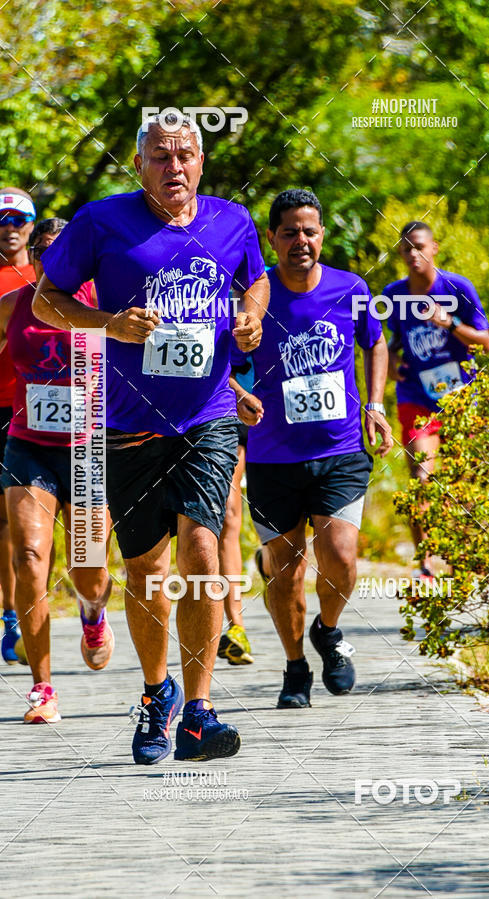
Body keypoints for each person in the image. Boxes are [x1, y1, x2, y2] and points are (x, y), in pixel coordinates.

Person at [35, 114, 269, 763]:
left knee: (201, 544)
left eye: (186, 155)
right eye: (161, 157)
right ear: (139, 165)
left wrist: (250, 316)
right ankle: (155, 692)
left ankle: (199, 710)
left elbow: (256, 279)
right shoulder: (100, 221)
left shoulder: (233, 221)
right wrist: (108, 323)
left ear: (202, 162)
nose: (175, 168)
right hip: (128, 424)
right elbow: (45, 300)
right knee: (146, 566)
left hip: (208, 414)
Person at [241, 188, 392, 709]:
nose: (300, 241)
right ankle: (294, 668)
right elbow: (220, 356)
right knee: (284, 570)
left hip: (341, 449)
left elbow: (375, 341)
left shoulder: (351, 287)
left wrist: (375, 404)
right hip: (271, 456)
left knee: (341, 557)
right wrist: (238, 395)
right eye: (289, 232)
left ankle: (328, 631)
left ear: (322, 234)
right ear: (272, 238)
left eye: (309, 230)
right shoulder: (253, 295)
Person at [0, 218, 113, 723]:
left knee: (87, 570)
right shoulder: (13, 305)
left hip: (89, 448)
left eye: (61, 249)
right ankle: (42, 687)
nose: (51, 258)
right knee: (27, 556)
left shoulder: (102, 301)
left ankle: (92, 612)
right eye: (43, 250)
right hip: (29, 446)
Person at [384, 221, 489, 578]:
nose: (413, 254)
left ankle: (463, 556)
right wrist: (394, 365)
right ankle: (425, 563)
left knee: (462, 481)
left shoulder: (457, 288)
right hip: (416, 396)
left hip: (460, 400)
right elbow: (391, 345)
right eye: (406, 248)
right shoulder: (394, 294)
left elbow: (486, 341)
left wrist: (450, 324)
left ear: (434, 248)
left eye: (419, 246)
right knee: (420, 473)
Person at [0, 188, 36, 664]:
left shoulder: (49, 273)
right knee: (5, 522)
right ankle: (10, 616)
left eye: (18, 218)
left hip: (44, 410)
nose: (9, 227)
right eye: (1, 219)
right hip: (0, 405)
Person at [216, 358, 263, 665]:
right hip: (207, 401)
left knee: (231, 514)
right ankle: (235, 627)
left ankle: (237, 627)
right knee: (226, 516)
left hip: (256, 399)